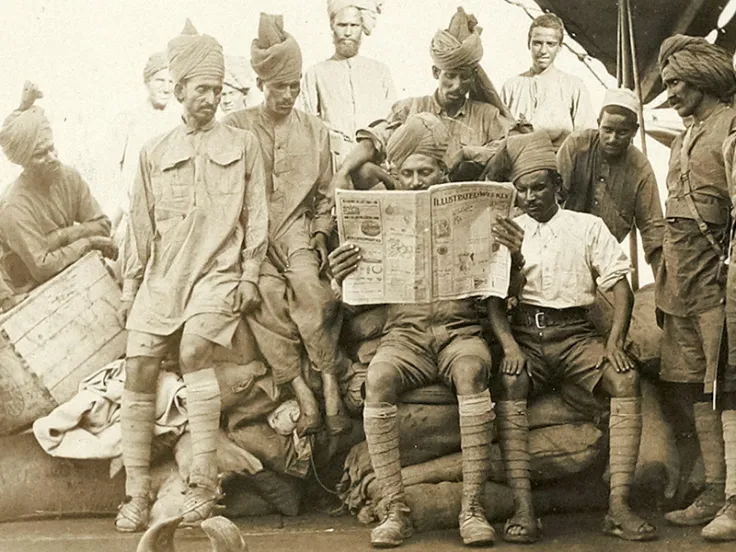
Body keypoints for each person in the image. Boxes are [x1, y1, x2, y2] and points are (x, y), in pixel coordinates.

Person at [329, 112, 524, 548]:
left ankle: (471, 508)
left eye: (427, 171)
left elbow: (505, 290)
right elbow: (354, 295)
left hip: (460, 331)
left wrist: (515, 253)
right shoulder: (379, 216)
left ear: (443, 173)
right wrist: (339, 274)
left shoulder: (471, 214)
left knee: (473, 371)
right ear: (397, 175)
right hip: (405, 335)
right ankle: (395, 510)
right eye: (409, 172)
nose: (417, 181)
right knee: (378, 378)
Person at [115, 20, 269, 531]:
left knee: (193, 352)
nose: (210, 98)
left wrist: (249, 272)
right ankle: (137, 493)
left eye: (217, 90)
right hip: (163, 277)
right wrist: (131, 289)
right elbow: (138, 230)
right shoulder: (152, 152)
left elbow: (256, 214)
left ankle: (203, 485)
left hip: (218, 273)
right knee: (138, 364)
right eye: (200, 89)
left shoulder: (243, 144)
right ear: (178, 90)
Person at [486, 132, 657, 543]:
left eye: (539, 187)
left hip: (577, 335)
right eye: (522, 189)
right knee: (510, 382)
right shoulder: (509, 232)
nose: (529, 196)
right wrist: (509, 347)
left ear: (557, 187)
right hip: (527, 334)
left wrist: (614, 343)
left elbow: (621, 289)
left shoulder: (587, 227)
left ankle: (618, 506)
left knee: (626, 380)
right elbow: (494, 301)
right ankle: (526, 510)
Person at [224, 13, 350, 437]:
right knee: (263, 295)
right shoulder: (236, 127)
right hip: (249, 234)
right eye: (280, 87)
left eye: (295, 87)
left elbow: (324, 195)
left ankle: (329, 379)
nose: (288, 95)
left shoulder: (315, 130)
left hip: (296, 229)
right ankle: (299, 387)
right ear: (262, 85)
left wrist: (318, 233)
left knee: (314, 294)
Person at [654, 35, 736, 542]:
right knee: (697, 388)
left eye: (677, 83)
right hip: (680, 282)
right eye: (665, 85)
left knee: (728, 386)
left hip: (719, 282)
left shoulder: (730, 127)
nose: (671, 94)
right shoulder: (685, 134)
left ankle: (734, 499)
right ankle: (713, 486)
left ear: (703, 80)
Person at [334, 7, 517, 190]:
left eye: (465, 77)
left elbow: (515, 143)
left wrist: (468, 153)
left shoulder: (486, 115)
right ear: (436, 72)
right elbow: (373, 140)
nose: (457, 85)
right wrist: (342, 173)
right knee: (364, 170)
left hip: (460, 200)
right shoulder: (410, 108)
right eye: (450, 76)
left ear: (473, 76)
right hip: (410, 192)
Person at [0, 82, 116, 312]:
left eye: (52, 148)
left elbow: (103, 225)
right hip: (29, 299)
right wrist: (88, 241)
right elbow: (42, 266)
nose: (52, 157)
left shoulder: (68, 176)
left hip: (75, 277)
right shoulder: (14, 207)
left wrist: (59, 237)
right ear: (23, 161)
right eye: (40, 155)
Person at [557, 87, 664, 273]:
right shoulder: (576, 146)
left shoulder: (640, 168)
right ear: (598, 123)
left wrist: (663, 286)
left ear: (634, 131)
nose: (613, 139)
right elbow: (553, 196)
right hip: (563, 246)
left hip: (605, 256)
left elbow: (652, 228)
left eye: (622, 132)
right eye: (607, 130)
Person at [300, 0, 396, 170]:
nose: (348, 32)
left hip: (376, 164)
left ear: (362, 27)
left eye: (354, 25)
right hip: (333, 164)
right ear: (332, 25)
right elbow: (307, 124)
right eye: (342, 25)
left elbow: (392, 120)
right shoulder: (315, 73)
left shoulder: (380, 71)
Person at [105, 52, 178, 229]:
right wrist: (125, 204)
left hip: (167, 211)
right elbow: (112, 167)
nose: (166, 88)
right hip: (129, 210)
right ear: (147, 82)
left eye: (171, 82)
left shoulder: (178, 123)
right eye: (160, 80)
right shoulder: (128, 120)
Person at [501, 13, 596, 150]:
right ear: (529, 44)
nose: (543, 51)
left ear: (559, 48)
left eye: (550, 44)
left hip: (559, 166)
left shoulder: (574, 87)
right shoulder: (511, 87)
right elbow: (499, 133)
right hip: (517, 165)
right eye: (537, 43)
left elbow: (587, 138)